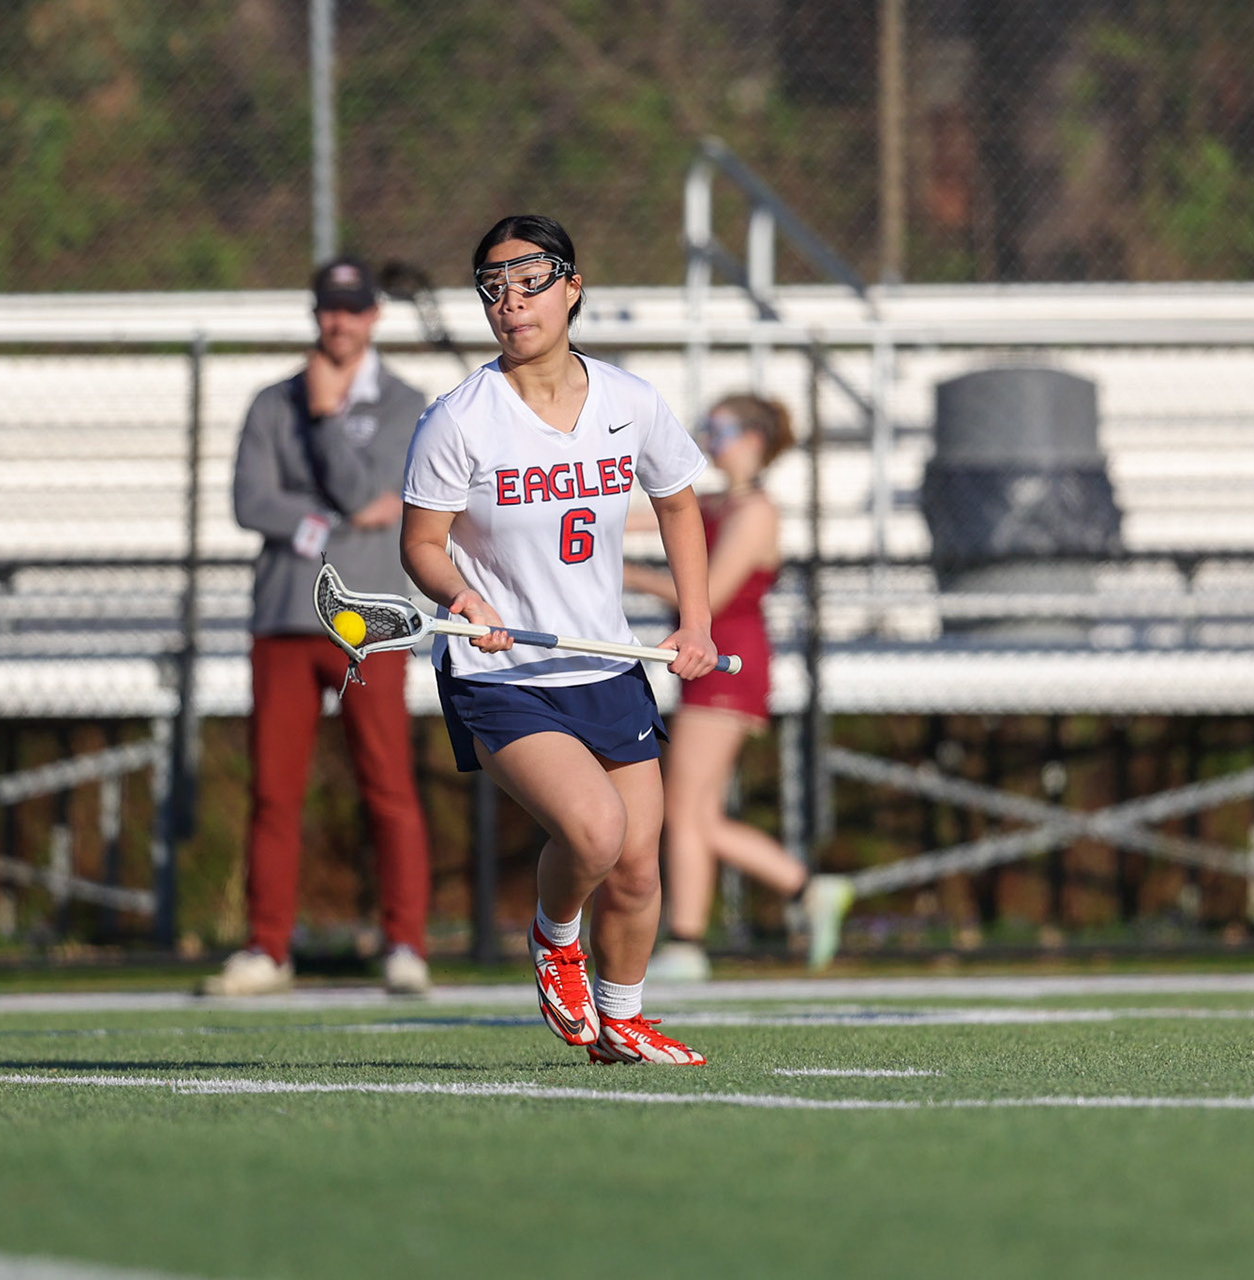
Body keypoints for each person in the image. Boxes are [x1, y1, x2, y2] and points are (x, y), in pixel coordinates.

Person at [401, 215, 716, 1065]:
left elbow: (681, 503)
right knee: (593, 832)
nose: (511, 301)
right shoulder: (459, 420)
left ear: (573, 287)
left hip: (606, 665)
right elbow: (421, 545)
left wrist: (696, 620)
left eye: (531, 279)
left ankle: (622, 1020)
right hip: (500, 672)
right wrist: (463, 595)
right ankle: (553, 937)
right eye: (493, 287)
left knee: (641, 869)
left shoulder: (629, 401)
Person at [211, 257, 432, 997]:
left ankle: (406, 943)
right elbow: (251, 501)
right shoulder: (271, 402)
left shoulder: (406, 404)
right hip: (282, 616)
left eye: (351, 309)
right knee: (274, 791)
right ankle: (267, 947)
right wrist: (328, 525)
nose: (337, 322)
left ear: (374, 316)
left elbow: (373, 492)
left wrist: (327, 418)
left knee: (387, 784)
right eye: (326, 309)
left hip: (367, 624)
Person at [626, 396, 853, 982]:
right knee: (695, 813)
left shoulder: (756, 512)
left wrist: (620, 572)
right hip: (702, 661)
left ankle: (687, 941)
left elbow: (712, 594)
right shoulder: (712, 502)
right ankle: (805, 889)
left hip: (728, 663)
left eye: (722, 428)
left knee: (682, 808)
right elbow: (630, 516)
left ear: (755, 439)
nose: (710, 437)